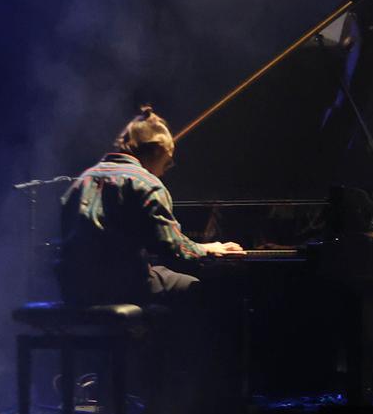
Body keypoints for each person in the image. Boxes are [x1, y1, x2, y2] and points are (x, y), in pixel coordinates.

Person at [57, 105, 243, 305]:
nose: (164, 171)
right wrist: (206, 248)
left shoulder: (81, 180)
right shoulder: (146, 183)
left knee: (159, 273)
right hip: (121, 286)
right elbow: (173, 249)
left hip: (73, 288)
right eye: (167, 162)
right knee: (198, 289)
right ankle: (166, 336)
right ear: (157, 150)